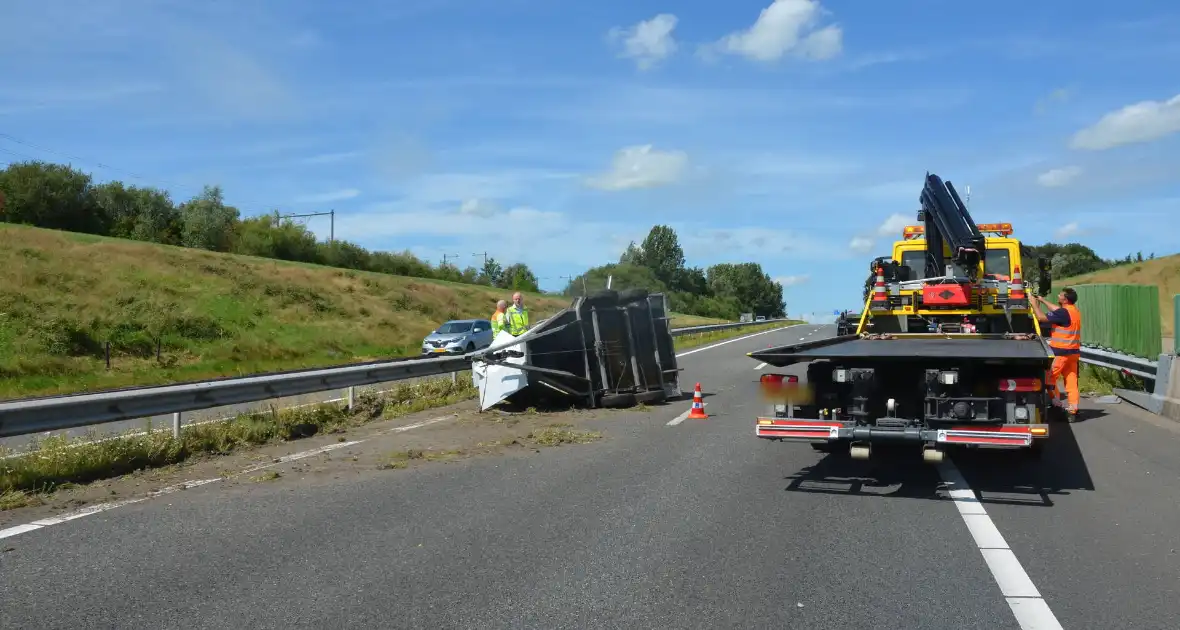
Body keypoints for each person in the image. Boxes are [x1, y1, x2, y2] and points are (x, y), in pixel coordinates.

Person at [1030, 287, 1082, 421]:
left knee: (1049, 380)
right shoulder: (1073, 311)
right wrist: (1043, 300)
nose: (1058, 295)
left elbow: (1041, 317)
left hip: (1060, 353)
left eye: (1060, 295)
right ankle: (1073, 410)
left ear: (1065, 300)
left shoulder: (1064, 313)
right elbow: (1057, 310)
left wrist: (1034, 303)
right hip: (1073, 354)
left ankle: (1056, 404)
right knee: (1071, 383)